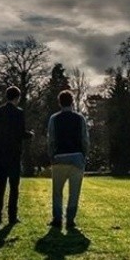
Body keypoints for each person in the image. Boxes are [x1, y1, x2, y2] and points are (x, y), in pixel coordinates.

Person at [0, 86, 34, 225]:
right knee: (14, 186)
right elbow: (20, 133)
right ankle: (12, 216)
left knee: (0, 185)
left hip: (0, 154)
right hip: (14, 153)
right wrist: (30, 134)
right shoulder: (18, 113)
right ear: (17, 97)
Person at [47, 90, 90, 229]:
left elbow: (51, 140)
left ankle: (57, 219)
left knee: (57, 192)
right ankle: (70, 219)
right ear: (72, 102)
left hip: (59, 157)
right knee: (74, 192)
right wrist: (84, 155)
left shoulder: (54, 118)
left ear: (59, 102)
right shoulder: (80, 118)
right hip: (76, 157)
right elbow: (85, 139)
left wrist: (52, 156)